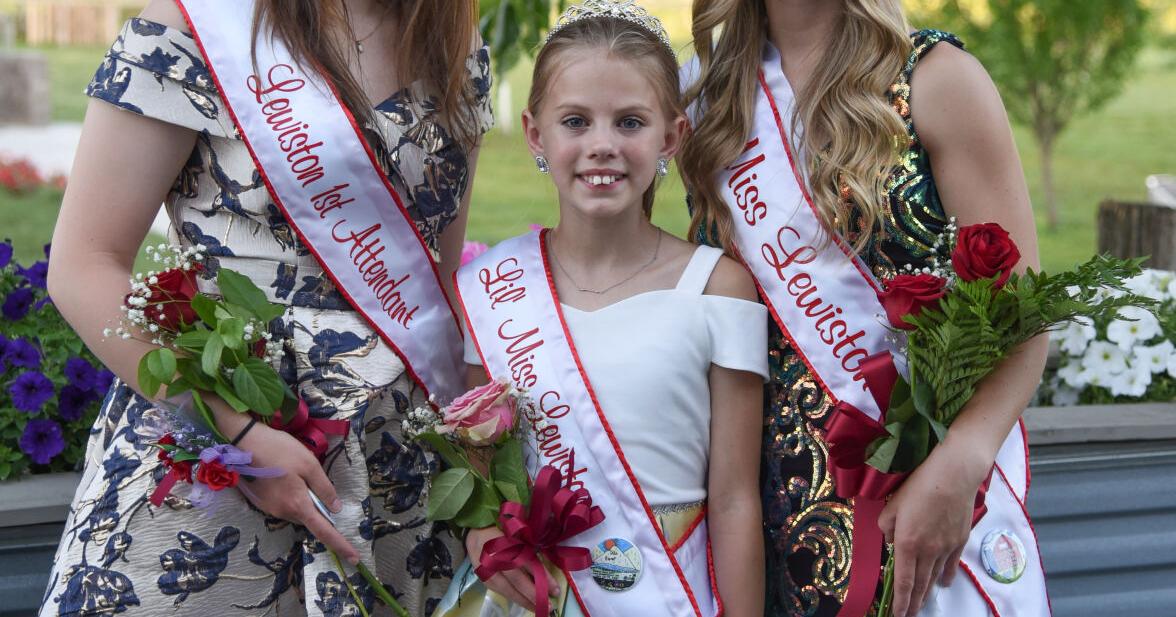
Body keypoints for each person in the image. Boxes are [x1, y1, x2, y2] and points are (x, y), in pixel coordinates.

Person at [40, 0, 491, 614]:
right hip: (222, 442)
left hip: (397, 468)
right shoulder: (197, 23)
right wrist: (240, 438)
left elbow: (436, 283)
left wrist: (485, 481)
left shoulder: (449, 37)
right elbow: (84, 265)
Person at [679, 1, 1050, 616]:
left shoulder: (934, 78)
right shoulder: (705, 96)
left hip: (926, 502)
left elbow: (1024, 314)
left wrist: (962, 461)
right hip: (766, 512)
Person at [434, 2, 766, 616]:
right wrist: (480, 531)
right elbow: (479, 466)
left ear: (672, 136)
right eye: (576, 121)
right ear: (536, 134)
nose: (603, 145)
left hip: (670, 594)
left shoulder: (717, 289)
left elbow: (735, 499)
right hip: (532, 598)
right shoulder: (488, 288)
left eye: (630, 122)